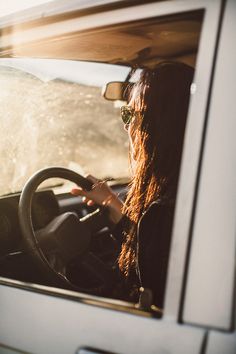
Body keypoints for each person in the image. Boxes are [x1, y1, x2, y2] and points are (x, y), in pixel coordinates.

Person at [71, 61, 194, 309]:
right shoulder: (193, 188)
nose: (126, 126)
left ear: (160, 125)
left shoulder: (165, 211)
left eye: (129, 114)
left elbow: (152, 305)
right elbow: (153, 249)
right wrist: (114, 205)